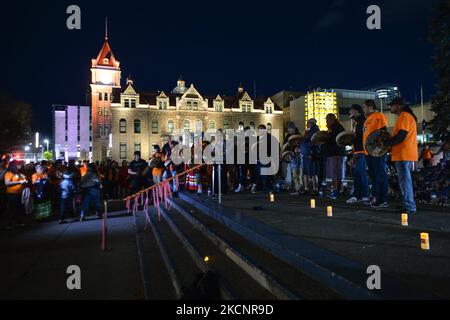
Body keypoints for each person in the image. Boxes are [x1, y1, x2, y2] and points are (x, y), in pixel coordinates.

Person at [387, 97, 418, 214]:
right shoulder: (405, 116)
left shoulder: (404, 116)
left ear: (399, 106)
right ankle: (407, 205)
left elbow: (401, 135)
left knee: (405, 181)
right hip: (404, 154)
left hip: (404, 154)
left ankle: (410, 206)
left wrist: (387, 143)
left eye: (392, 105)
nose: (390, 107)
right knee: (404, 181)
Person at [362, 99, 390, 208]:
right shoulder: (367, 119)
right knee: (373, 176)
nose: (363, 110)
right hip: (368, 152)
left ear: (370, 107)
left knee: (380, 175)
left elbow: (383, 133)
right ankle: (375, 198)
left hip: (377, 152)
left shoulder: (379, 115)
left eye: (364, 107)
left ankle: (383, 200)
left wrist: (380, 148)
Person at [346, 104, 370, 204]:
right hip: (357, 152)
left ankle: (363, 195)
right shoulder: (355, 123)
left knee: (360, 173)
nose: (349, 113)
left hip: (363, 151)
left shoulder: (365, 121)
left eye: (351, 111)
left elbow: (364, 137)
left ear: (356, 111)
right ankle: (360, 195)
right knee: (357, 174)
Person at [323, 114, 345, 199]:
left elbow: (334, 139)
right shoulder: (336, 127)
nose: (326, 121)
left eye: (327, 119)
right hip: (336, 153)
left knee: (335, 173)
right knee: (336, 172)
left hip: (335, 153)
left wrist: (325, 137)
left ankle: (336, 191)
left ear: (331, 120)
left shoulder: (335, 128)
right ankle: (338, 190)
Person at [4, 161, 28, 228]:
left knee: (19, 208)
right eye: (17, 165)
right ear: (13, 166)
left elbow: (24, 179)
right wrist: (19, 182)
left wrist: (25, 181)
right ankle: (9, 223)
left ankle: (18, 221)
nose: (19, 166)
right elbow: (7, 183)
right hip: (11, 194)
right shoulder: (9, 173)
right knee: (11, 208)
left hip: (18, 193)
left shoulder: (18, 173)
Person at [301, 118, 320, 195]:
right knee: (306, 172)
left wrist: (311, 152)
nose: (307, 124)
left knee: (313, 172)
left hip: (310, 154)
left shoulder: (314, 131)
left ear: (312, 123)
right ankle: (307, 188)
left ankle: (315, 189)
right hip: (306, 154)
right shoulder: (309, 131)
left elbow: (314, 142)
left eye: (308, 122)